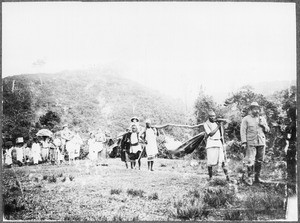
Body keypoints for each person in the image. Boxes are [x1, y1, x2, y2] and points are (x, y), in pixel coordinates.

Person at [240, 102, 270, 185]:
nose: (256, 111)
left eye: (258, 109)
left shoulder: (262, 119)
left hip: (261, 142)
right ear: (251, 109)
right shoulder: (246, 119)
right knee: (250, 160)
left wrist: (263, 125)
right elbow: (243, 131)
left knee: (259, 161)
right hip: (251, 142)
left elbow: (267, 130)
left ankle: (257, 178)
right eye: (254, 109)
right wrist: (244, 142)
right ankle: (249, 178)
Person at [203, 111, 229, 181]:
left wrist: (221, 124)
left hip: (218, 142)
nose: (213, 117)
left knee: (222, 160)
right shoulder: (206, 124)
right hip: (211, 143)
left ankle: (228, 177)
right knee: (210, 162)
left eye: (214, 116)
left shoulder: (217, 123)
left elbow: (222, 133)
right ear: (209, 117)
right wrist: (218, 126)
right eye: (211, 116)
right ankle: (210, 178)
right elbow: (210, 134)